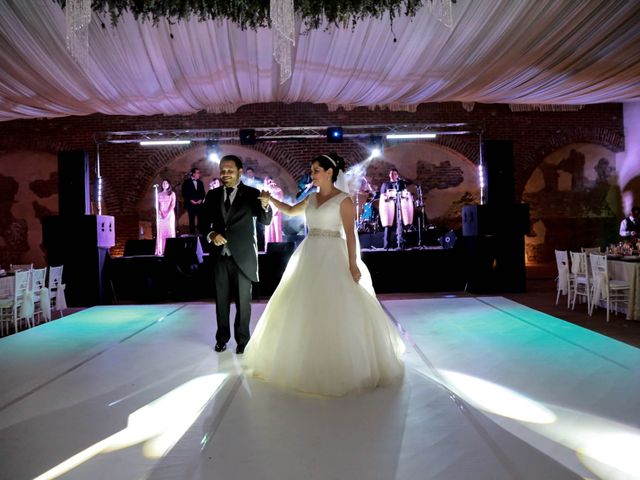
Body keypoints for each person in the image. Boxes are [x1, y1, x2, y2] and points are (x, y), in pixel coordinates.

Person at [244, 153, 404, 397]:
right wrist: (272, 201)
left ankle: (341, 363)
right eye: (312, 169)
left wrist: (353, 264)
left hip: (334, 255)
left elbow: (351, 235)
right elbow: (289, 210)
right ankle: (305, 359)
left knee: (337, 306)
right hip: (309, 253)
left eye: (316, 170)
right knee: (303, 304)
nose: (313, 174)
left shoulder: (344, 201)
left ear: (330, 173)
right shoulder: (310, 198)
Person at [202, 155, 272, 354]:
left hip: (243, 257)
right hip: (219, 258)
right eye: (223, 171)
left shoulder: (252, 194)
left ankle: (243, 341)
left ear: (240, 172)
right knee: (221, 302)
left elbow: (265, 221)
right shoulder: (212, 195)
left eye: (230, 171)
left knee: (244, 304)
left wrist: (266, 204)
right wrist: (211, 234)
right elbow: (203, 222)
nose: (226, 174)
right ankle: (222, 338)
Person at [380, 168, 408, 249]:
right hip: (388, 207)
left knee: (400, 224)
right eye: (391, 174)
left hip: (399, 206)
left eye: (395, 174)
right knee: (388, 226)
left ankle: (400, 243)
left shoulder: (401, 183)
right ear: (389, 175)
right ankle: (387, 245)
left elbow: (404, 193)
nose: (393, 175)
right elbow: (382, 195)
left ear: (397, 175)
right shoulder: (385, 184)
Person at [181, 167, 206, 234]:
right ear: (193, 174)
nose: (199, 174)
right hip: (191, 204)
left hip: (199, 204)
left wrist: (200, 199)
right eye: (198, 173)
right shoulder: (186, 182)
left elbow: (203, 193)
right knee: (191, 220)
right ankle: (192, 235)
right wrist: (190, 200)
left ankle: (200, 234)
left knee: (200, 220)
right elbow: (184, 193)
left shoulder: (200, 182)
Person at [155, 179, 176, 256]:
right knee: (161, 232)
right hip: (161, 215)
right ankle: (160, 250)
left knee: (169, 231)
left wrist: (167, 212)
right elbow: (157, 205)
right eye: (163, 183)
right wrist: (160, 212)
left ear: (169, 184)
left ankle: (170, 249)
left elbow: (173, 204)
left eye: (166, 183)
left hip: (169, 214)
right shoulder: (159, 194)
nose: (165, 184)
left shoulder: (172, 194)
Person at [264, 176, 284, 248]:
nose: (270, 183)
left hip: (277, 211)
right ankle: (268, 246)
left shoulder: (278, 190)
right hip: (268, 212)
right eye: (268, 182)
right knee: (268, 229)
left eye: (270, 181)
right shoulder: (265, 190)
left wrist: (276, 209)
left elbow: (280, 200)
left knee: (276, 228)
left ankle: (279, 246)